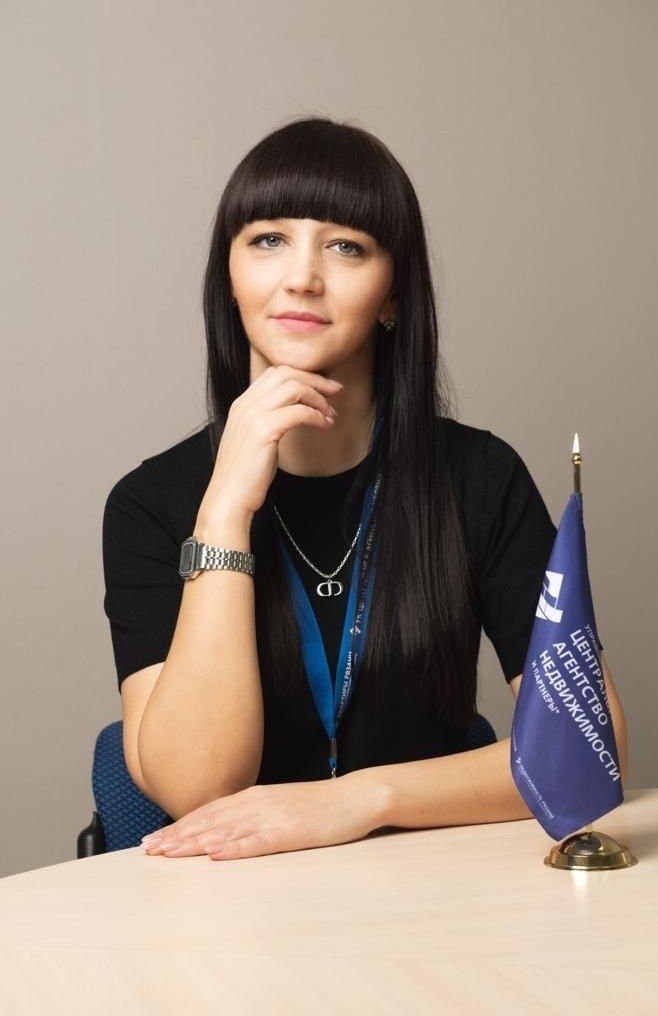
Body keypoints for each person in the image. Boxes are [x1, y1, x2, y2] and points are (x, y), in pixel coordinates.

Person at [103, 116, 628, 861]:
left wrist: (357, 799)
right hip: (232, 905)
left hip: (438, 889)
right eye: (268, 240)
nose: (302, 277)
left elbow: (585, 744)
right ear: (231, 278)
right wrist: (223, 514)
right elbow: (201, 788)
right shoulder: (150, 503)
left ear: (393, 296)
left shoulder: (481, 478)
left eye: (346, 246)